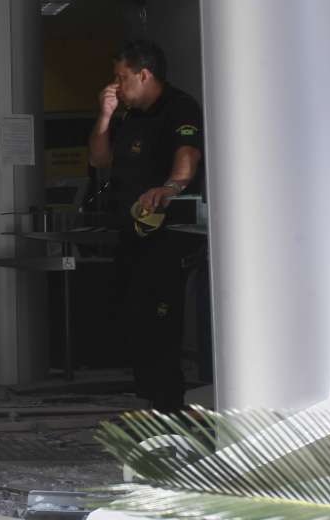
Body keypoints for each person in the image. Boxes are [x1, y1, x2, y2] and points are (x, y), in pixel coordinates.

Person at [88, 40, 203, 412]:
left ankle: (170, 402)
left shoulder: (179, 107)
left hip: (167, 235)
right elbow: (100, 159)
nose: (116, 85)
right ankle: (148, 395)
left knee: (161, 318)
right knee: (133, 313)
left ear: (144, 73)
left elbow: (188, 156)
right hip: (130, 231)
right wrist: (104, 117)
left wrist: (170, 188)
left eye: (122, 77)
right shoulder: (127, 115)